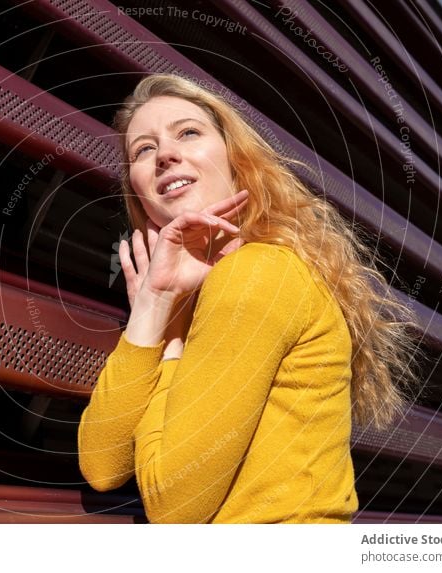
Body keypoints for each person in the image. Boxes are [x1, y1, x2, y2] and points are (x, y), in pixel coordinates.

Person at [77, 74, 419, 523]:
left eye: (188, 132)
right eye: (143, 149)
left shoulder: (257, 273)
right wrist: (154, 304)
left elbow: (174, 508)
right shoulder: (205, 291)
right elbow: (102, 466)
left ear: (235, 157)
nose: (165, 155)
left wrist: (173, 343)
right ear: (137, 190)